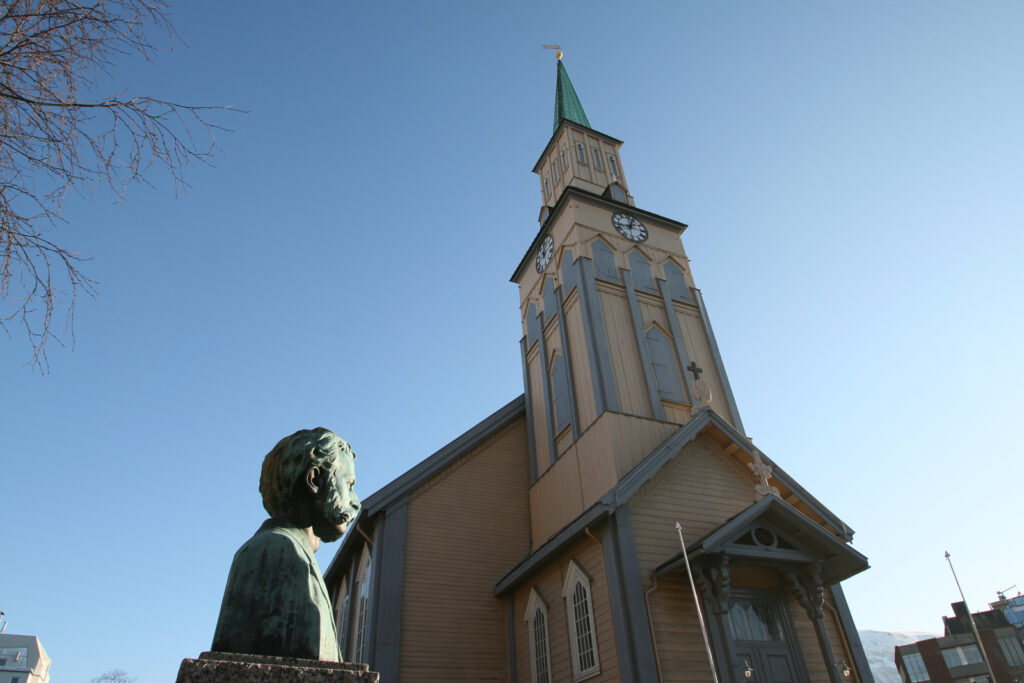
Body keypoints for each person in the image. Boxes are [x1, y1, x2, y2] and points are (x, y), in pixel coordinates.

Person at [212, 428, 361, 661]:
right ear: (314, 479)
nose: (356, 502)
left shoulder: (293, 552)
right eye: (349, 485)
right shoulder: (276, 550)